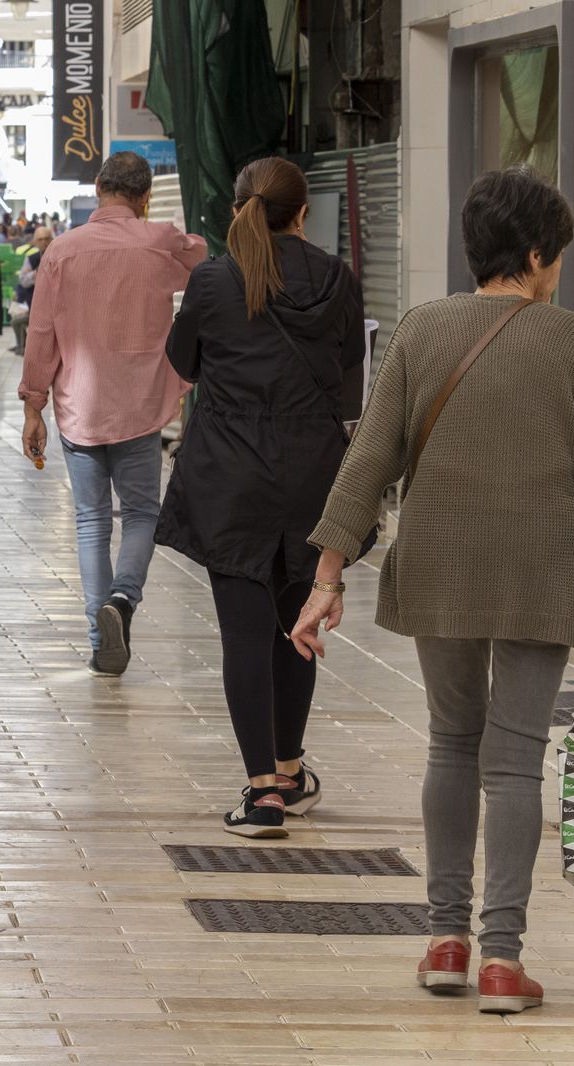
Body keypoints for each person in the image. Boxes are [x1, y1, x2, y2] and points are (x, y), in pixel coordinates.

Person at [289, 165, 574, 1015]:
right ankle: (500, 959)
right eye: (555, 252)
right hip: (542, 569)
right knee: (516, 757)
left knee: (452, 743)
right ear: (534, 255)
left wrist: (326, 575)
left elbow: (370, 459)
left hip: (442, 562)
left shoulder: (422, 329)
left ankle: (445, 940)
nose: (559, 266)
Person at [155, 158, 364, 839]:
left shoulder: (212, 280)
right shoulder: (338, 279)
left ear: (237, 210)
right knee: (295, 626)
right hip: (312, 476)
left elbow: (183, 363)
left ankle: (261, 793)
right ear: (303, 213)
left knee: (244, 634)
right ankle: (290, 770)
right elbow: (350, 390)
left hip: (231, 477)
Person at [20, 151, 206, 676]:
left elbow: (41, 333)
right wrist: (162, 237)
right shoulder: (159, 241)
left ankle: (100, 641)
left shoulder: (61, 251)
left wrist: (34, 406)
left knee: (91, 521)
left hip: (79, 407)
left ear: (99, 187)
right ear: (145, 196)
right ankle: (122, 602)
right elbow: (205, 259)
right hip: (140, 406)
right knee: (143, 514)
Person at [11, 226, 52, 357]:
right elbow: (23, 280)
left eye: (47, 239)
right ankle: (24, 347)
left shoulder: (60, 255)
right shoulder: (31, 258)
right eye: (40, 239)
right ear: (35, 242)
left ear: (52, 239)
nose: (44, 242)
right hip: (35, 305)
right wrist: (36, 272)